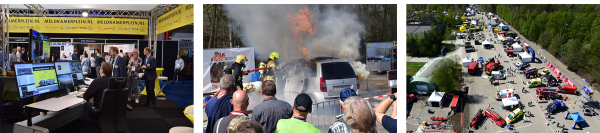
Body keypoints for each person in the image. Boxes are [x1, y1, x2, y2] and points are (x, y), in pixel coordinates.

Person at [82, 62, 112, 131]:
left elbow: (85, 97)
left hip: (100, 113)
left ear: (101, 71)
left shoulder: (97, 82)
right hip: (116, 114)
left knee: (90, 109)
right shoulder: (116, 81)